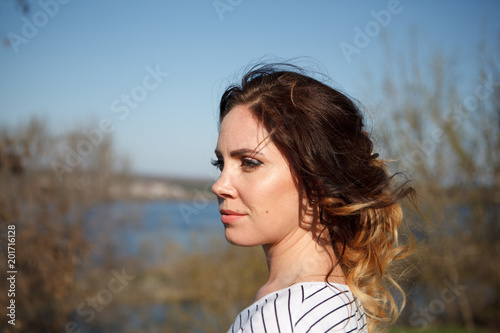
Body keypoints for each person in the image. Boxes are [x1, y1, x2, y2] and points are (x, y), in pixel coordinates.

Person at [211, 63, 415, 332]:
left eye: (249, 162)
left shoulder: (284, 319)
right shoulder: (330, 301)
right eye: (220, 164)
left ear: (316, 174)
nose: (220, 185)